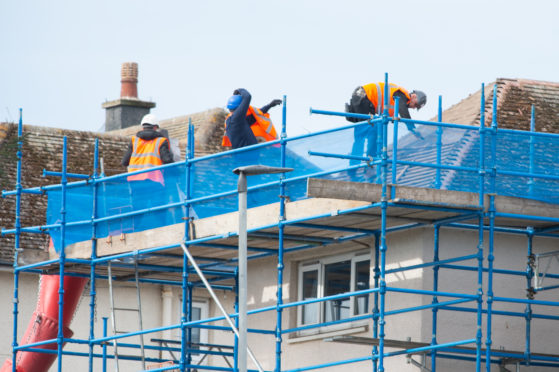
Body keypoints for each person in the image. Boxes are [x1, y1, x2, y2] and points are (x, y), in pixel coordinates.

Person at [345, 82, 427, 166]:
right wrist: (412, 129)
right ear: (414, 96)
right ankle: (370, 161)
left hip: (361, 99)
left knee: (362, 136)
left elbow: (383, 125)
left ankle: (356, 167)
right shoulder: (401, 95)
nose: (413, 108)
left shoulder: (394, 103)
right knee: (370, 132)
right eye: (416, 105)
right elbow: (404, 112)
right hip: (364, 98)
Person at [121, 114, 174, 228]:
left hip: (135, 181)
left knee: (137, 210)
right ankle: (162, 231)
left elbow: (125, 162)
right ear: (155, 127)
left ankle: (135, 232)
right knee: (159, 210)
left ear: (142, 127)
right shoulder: (161, 141)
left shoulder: (134, 141)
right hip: (154, 180)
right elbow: (168, 161)